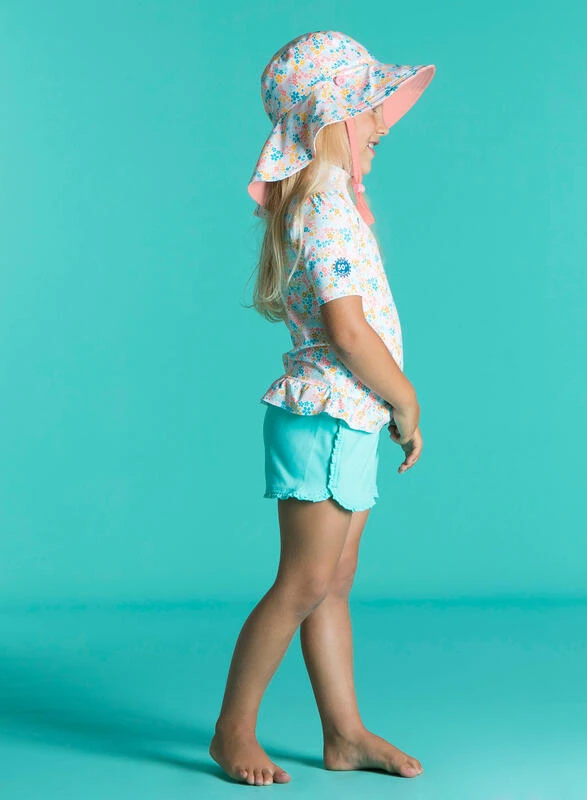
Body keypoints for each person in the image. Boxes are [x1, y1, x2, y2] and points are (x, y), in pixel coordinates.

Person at [209, 30, 436, 787]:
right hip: (327, 421)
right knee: (303, 582)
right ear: (333, 117)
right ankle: (232, 732)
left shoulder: (334, 203)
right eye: (371, 110)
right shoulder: (325, 209)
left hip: (349, 419)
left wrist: (385, 404)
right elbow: (348, 329)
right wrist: (405, 396)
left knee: (332, 582)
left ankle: (344, 735)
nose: (382, 126)